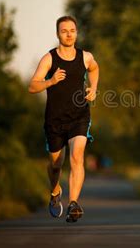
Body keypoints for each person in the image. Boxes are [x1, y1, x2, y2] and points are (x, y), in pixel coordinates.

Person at [28, 15, 99, 223]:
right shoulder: (49, 59)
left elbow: (95, 68)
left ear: (76, 33)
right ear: (57, 34)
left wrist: (93, 88)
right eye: (64, 31)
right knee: (56, 165)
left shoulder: (85, 57)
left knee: (77, 155)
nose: (69, 34)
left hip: (79, 116)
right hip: (55, 120)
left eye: (72, 30)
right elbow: (32, 86)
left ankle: (73, 204)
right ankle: (55, 190)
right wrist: (51, 81)